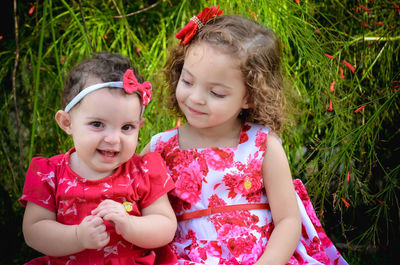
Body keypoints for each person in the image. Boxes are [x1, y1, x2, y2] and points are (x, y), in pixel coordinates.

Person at [141, 6, 348, 265]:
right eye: (188, 81)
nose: (195, 98)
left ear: (250, 96)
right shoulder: (160, 148)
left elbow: (288, 220)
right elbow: (129, 196)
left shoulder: (262, 145)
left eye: (215, 93)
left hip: (259, 258)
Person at [19, 52, 178, 265]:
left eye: (127, 127)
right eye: (97, 124)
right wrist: (77, 237)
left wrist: (129, 225)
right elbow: (34, 231)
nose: (113, 139)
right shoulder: (50, 173)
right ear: (67, 122)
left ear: (139, 127)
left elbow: (166, 226)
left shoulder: (144, 171)